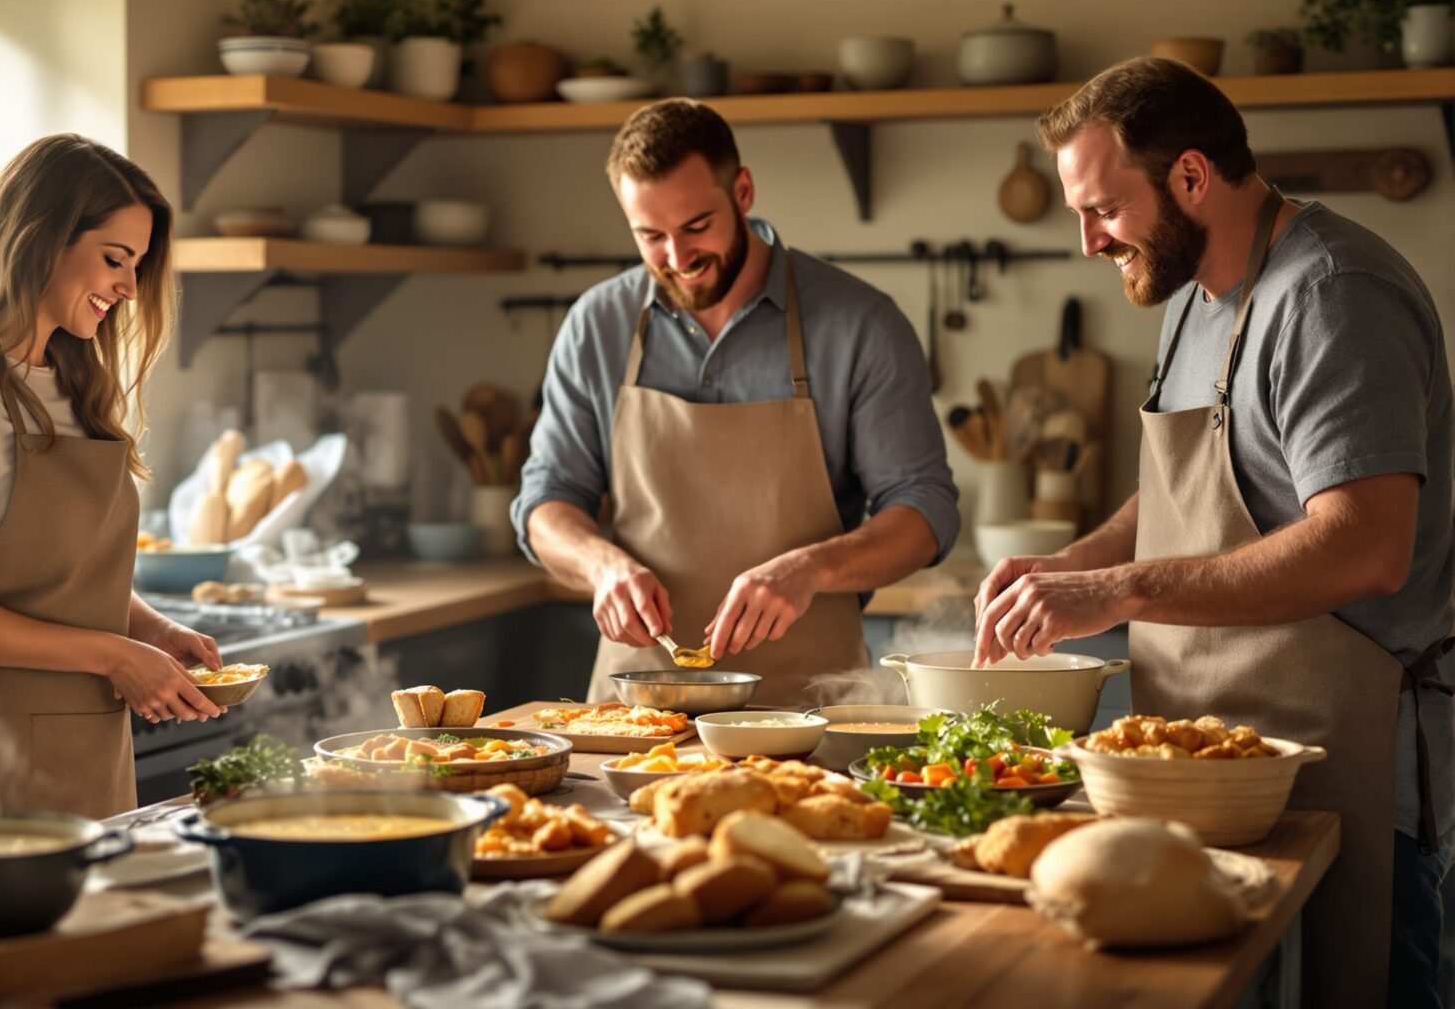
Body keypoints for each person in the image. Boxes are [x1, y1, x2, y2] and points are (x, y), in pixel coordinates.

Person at [974, 57, 1453, 1008]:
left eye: (1104, 209)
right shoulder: (1189, 293)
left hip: (1346, 764)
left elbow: (1365, 545)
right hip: (1214, 761)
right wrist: (1073, 562)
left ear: (1191, 177)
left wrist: (1119, 590)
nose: (1086, 241)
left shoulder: (1331, 294)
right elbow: (1182, 487)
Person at [514, 99, 959, 707]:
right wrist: (602, 567)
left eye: (697, 226)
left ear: (743, 191)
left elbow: (924, 513)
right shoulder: (597, 325)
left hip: (812, 708)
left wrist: (809, 570)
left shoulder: (860, 325)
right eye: (650, 236)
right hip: (639, 714)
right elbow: (546, 500)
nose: (678, 259)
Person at [0, 133, 224, 821]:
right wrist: (113, 656)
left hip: (84, 749)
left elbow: (62, 579)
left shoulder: (75, 381)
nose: (126, 285)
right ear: (38, 238)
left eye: (137, 266)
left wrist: (147, 631)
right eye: (114, 258)